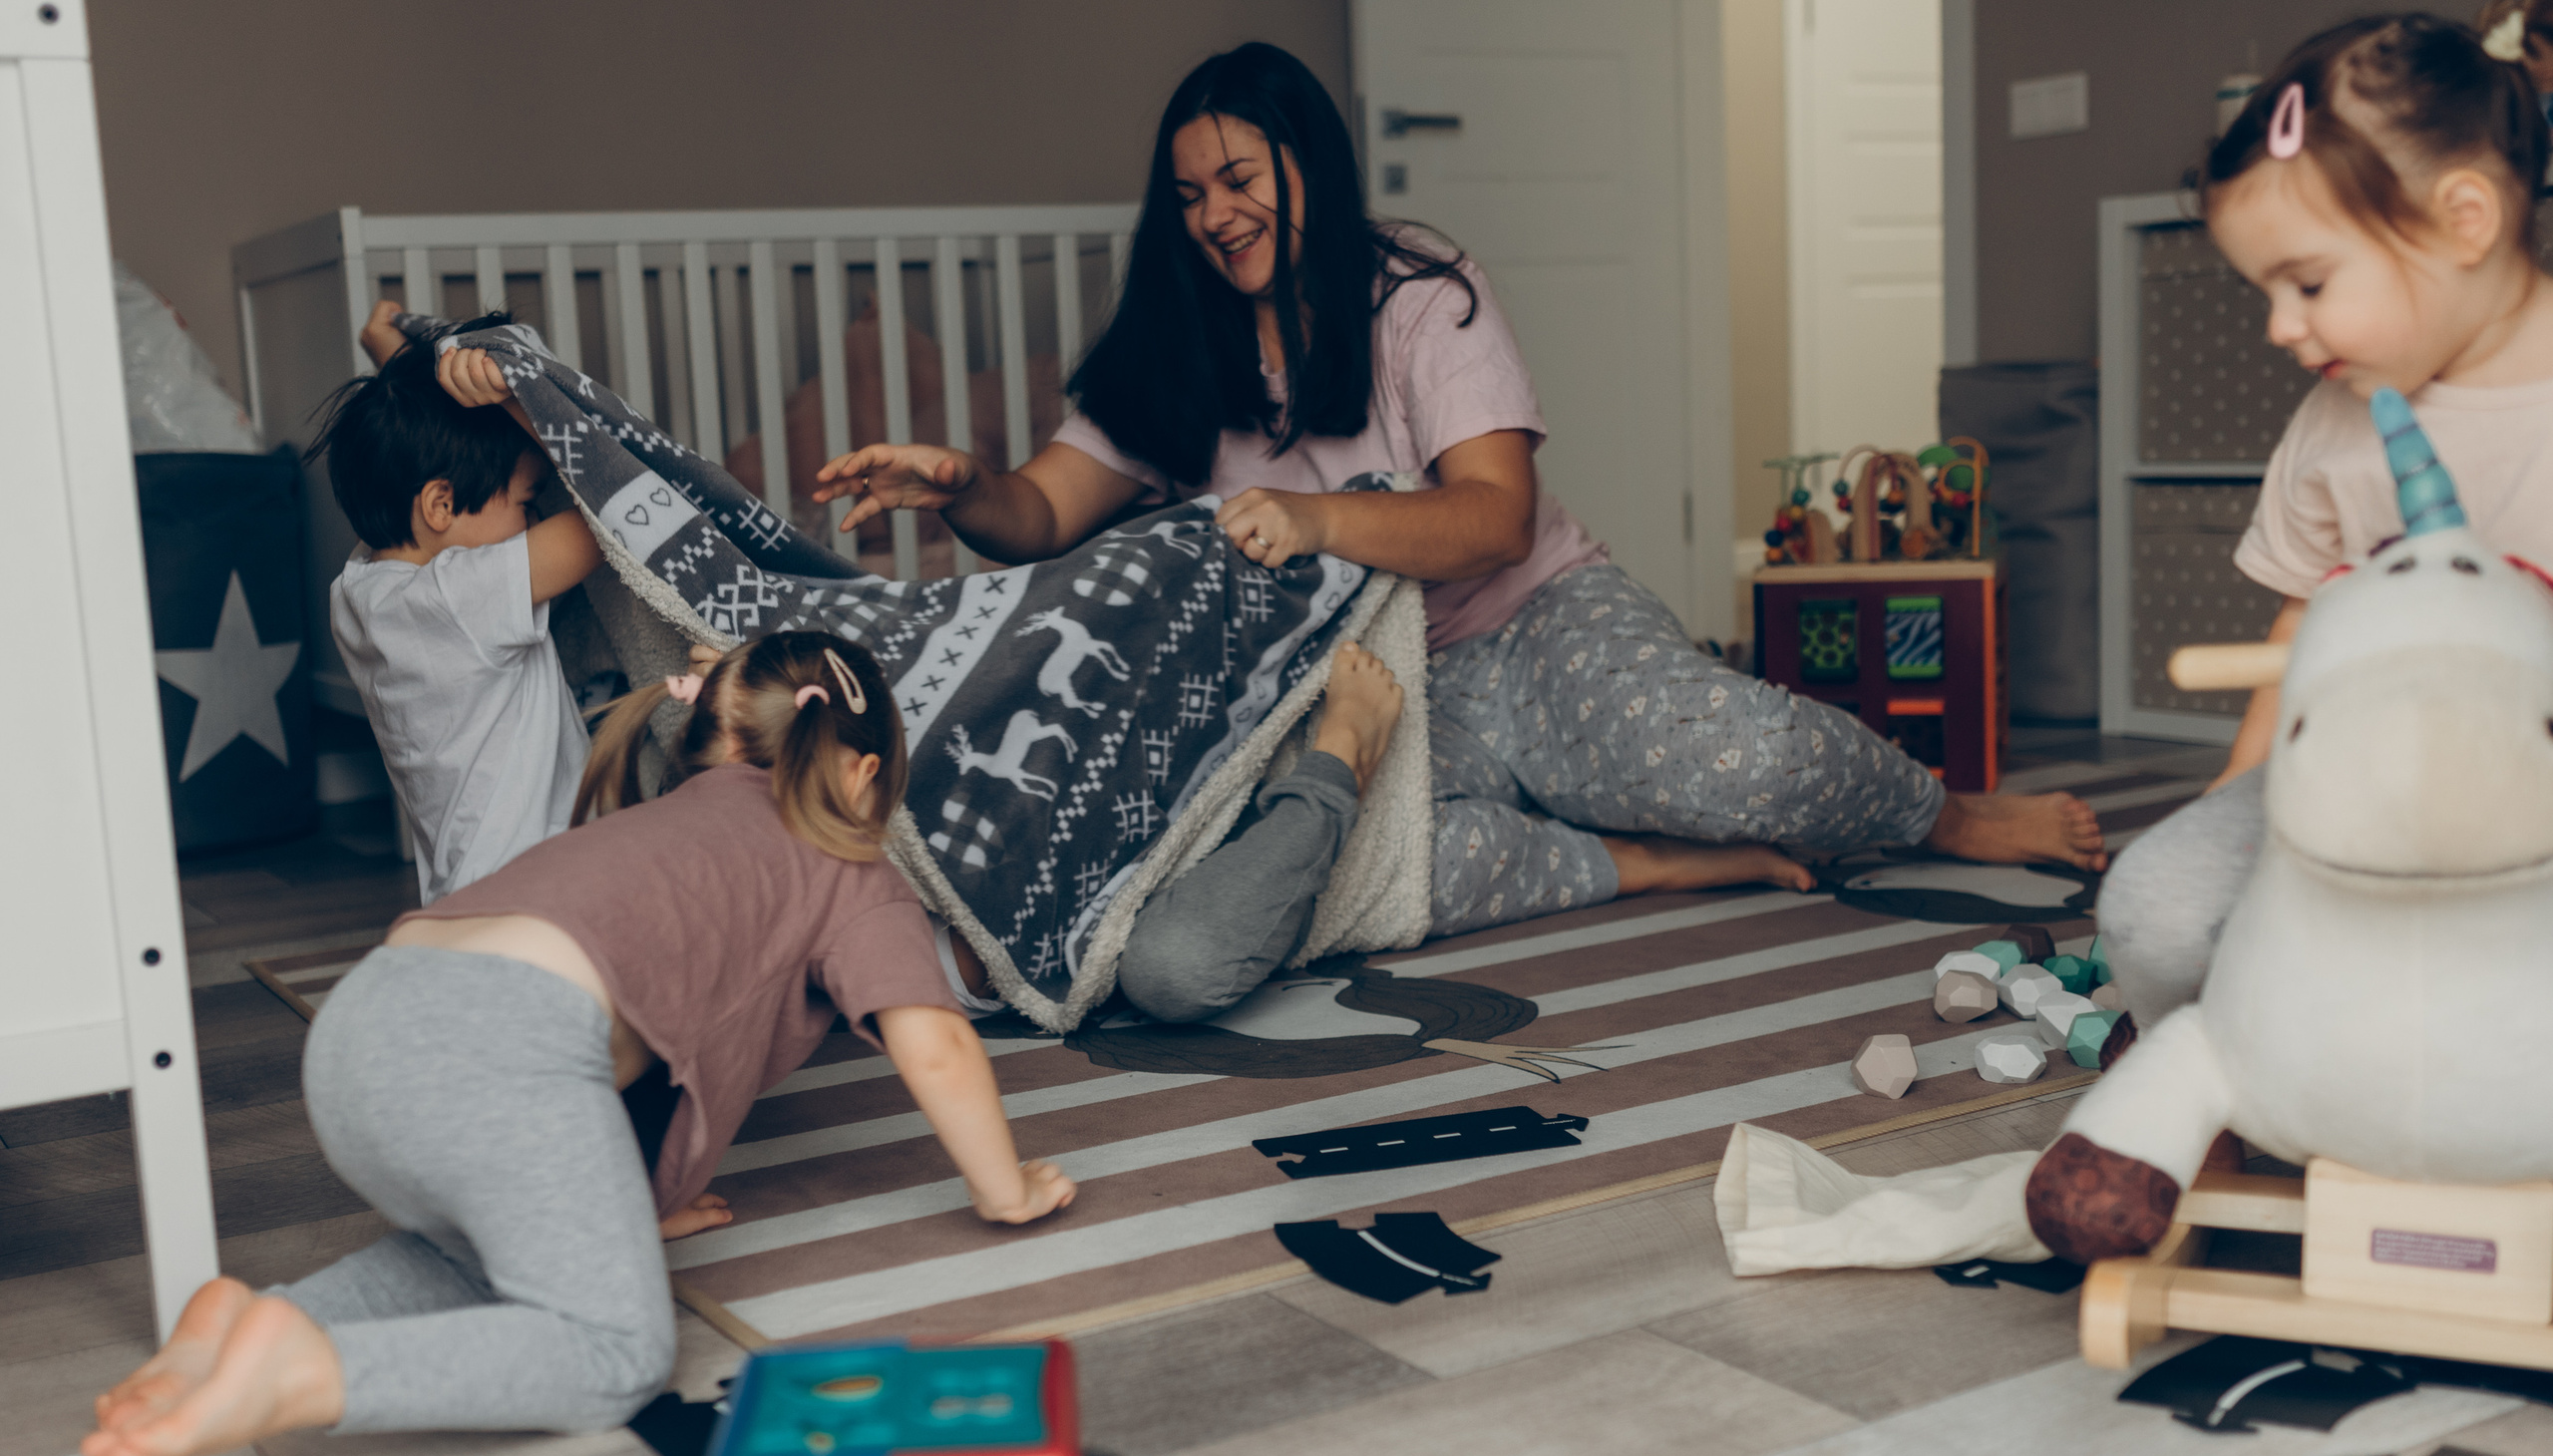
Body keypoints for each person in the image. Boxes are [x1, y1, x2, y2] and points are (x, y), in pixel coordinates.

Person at [812, 43, 2106, 1023]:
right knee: (1341, 876)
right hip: (1364, 693)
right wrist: (959, 480)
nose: (1216, 213)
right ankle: (1647, 863)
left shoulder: (1417, 289)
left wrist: (1323, 519)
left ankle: (1943, 815)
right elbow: (1036, 512)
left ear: (1306, 163)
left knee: (1745, 760)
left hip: (1529, 622)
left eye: (1241, 177)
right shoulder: (1168, 348)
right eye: (1193, 193)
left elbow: (1496, 519)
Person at [83, 632, 1076, 1456]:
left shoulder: (660, 825)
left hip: (360, 1026)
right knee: (614, 1353)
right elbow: (936, 1038)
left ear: (712, 739)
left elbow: (630, 1042)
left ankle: (246, 1324)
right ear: (862, 774)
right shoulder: (843, 862)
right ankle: (311, 1371)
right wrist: (1005, 1187)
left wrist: (615, 1197)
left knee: (487, 1261)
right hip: (499, 1046)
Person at [2097, 12, 2553, 1032]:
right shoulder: (2334, 422)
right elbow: (2299, 628)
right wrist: (2232, 795)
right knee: (2154, 909)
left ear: (2464, 219)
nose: (2279, 327)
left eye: (2306, 283)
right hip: (2347, 787)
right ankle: (2214, 1074)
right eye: (2265, 289)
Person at [310, 309, 601, 904]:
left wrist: (396, 356)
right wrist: (524, 404)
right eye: (527, 501)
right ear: (441, 504)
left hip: (469, 889)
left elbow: (403, 461)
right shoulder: (461, 597)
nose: (536, 518)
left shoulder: (362, 587)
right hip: (542, 886)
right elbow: (610, 512)